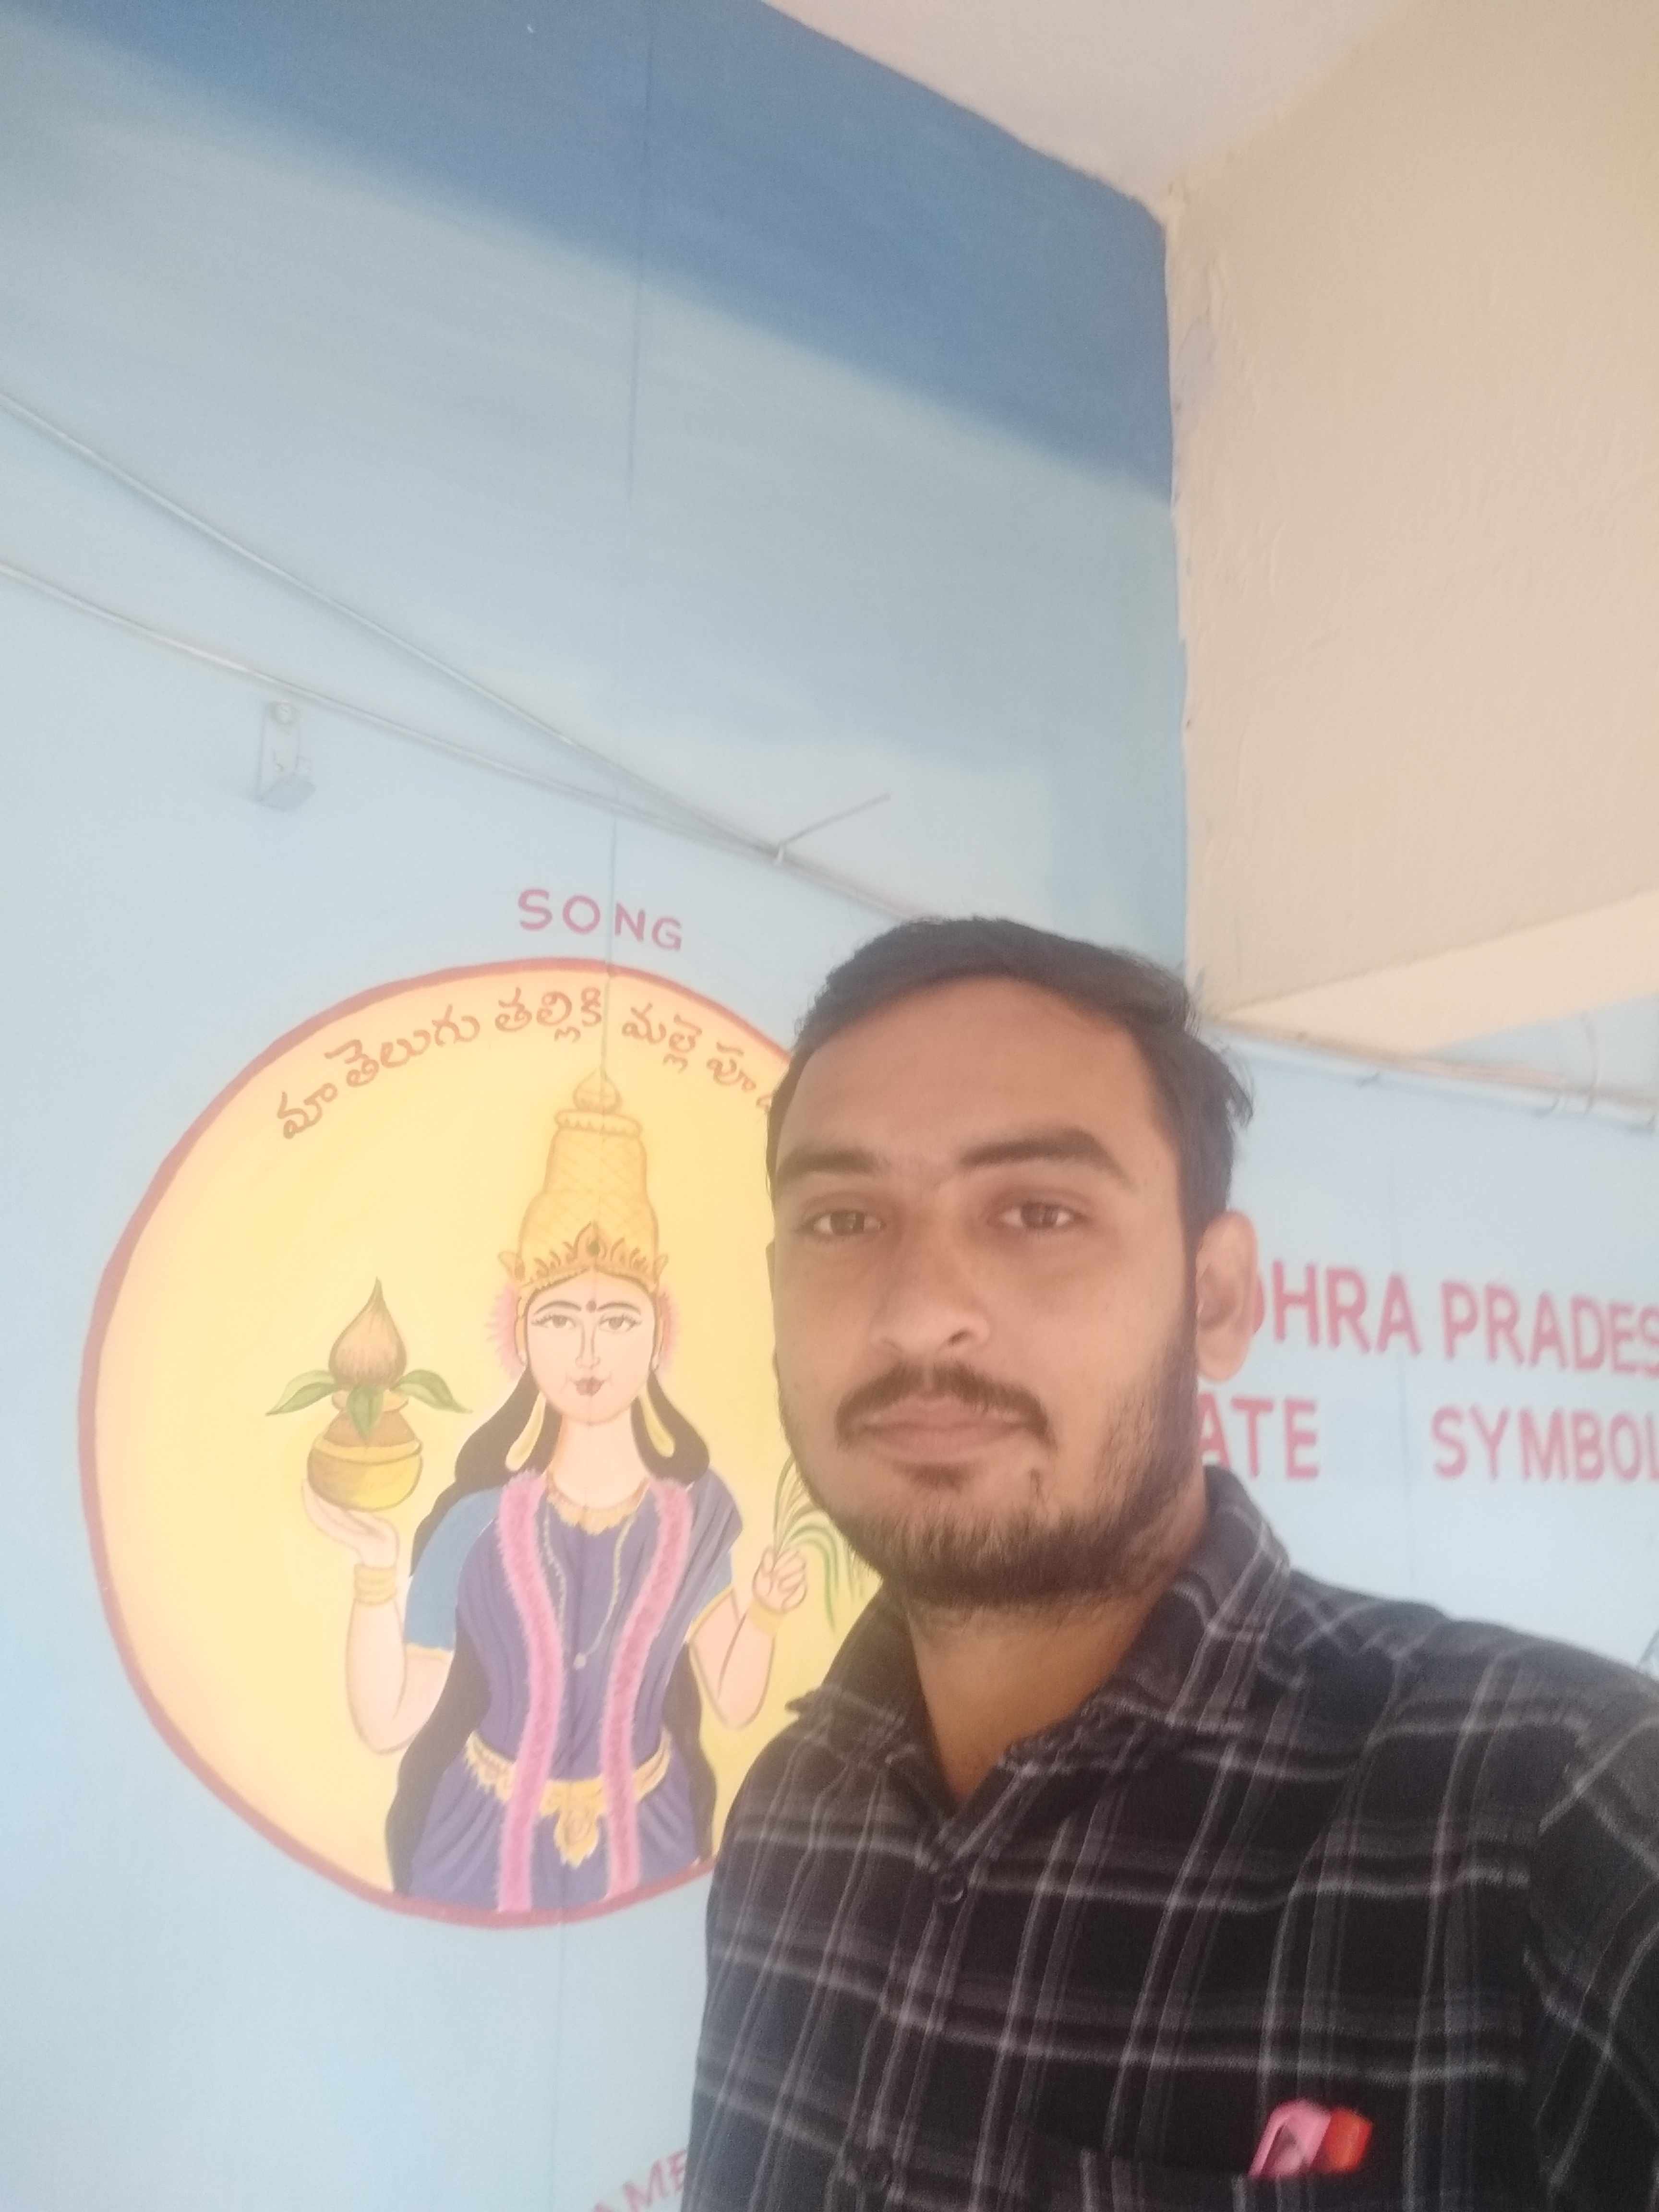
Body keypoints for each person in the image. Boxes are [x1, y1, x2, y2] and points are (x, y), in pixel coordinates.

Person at [684, 918, 1659, 2210]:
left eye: (1038, 1212)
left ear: (1217, 1300)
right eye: (843, 1218)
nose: (917, 1311)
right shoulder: (789, 1814)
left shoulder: (1560, 1820)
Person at [304, 1069, 806, 1913]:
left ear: (658, 1334)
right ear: (522, 1338)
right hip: (479, 1841)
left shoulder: (698, 1517)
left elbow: (735, 1697)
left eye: (618, 1320)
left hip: (655, 1835)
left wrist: (764, 1611)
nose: (590, 1352)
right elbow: (387, 1721)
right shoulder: (474, 1525)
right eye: (560, 1320)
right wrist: (375, 1573)